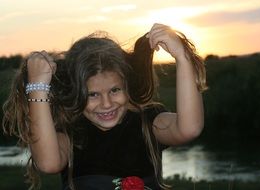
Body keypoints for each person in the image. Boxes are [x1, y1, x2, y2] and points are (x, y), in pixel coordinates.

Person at [2, 23, 207, 190]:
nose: (106, 104)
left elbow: (189, 128)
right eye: (92, 94)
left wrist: (183, 57)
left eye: (115, 90)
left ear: (129, 85)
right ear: (75, 93)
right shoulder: (70, 132)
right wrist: (37, 86)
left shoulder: (148, 121)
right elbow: (48, 163)